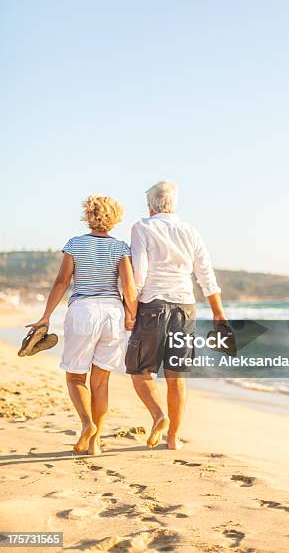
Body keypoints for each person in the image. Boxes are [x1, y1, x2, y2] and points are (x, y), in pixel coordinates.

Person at [27, 195, 137, 455]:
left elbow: (62, 282)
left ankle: (87, 425)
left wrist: (46, 316)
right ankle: (94, 444)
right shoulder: (121, 248)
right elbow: (129, 288)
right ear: (116, 217)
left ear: (88, 215)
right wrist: (131, 314)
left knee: (76, 377)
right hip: (112, 313)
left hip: (83, 312)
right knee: (101, 382)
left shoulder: (75, 245)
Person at [125, 181, 226, 450]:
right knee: (176, 375)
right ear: (173, 204)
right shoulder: (190, 231)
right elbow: (205, 273)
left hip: (153, 305)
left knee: (140, 371)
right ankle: (173, 439)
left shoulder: (142, 227)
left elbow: (139, 273)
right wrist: (218, 312)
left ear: (150, 205)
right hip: (185, 306)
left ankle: (159, 416)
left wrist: (130, 310)